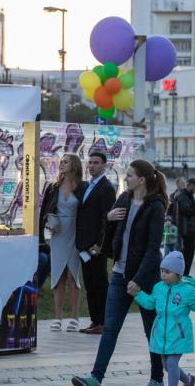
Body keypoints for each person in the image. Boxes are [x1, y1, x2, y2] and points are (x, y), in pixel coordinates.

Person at [72, 159, 168, 386]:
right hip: (119, 274)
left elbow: (153, 249)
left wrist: (138, 280)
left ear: (142, 180)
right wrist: (108, 219)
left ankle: (156, 379)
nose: (126, 178)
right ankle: (96, 377)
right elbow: (112, 233)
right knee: (110, 329)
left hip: (146, 279)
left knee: (151, 331)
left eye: (130, 175)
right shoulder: (124, 198)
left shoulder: (155, 206)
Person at [129, 251, 195, 386]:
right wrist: (137, 294)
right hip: (161, 335)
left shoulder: (188, 291)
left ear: (179, 274)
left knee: (171, 363)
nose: (163, 274)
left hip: (178, 336)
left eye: (167, 272)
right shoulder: (158, 288)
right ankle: (189, 381)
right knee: (167, 365)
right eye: (162, 271)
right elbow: (150, 303)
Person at [39, 153, 83, 332]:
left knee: (73, 276)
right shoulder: (53, 187)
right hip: (57, 235)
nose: (61, 164)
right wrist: (46, 225)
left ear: (74, 165)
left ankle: (75, 317)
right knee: (58, 276)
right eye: (61, 161)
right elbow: (44, 211)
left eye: (65, 162)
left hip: (75, 234)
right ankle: (57, 317)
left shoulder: (82, 187)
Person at [76, 152, 117, 335]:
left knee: (99, 284)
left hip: (96, 247)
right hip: (84, 245)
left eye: (96, 163)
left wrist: (101, 244)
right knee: (90, 284)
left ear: (104, 165)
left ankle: (103, 321)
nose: (92, 166)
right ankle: (95, 320)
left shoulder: (106, 188)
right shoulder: (87, 186)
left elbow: (106, 220)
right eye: (90, 162)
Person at [176, 179, 195, 275]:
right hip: (186, 231)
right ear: (191, 185)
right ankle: (183, 274)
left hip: (190, 231)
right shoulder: (183, 196)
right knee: (186, 255)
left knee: (190, 254)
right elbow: (186, 210)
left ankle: (186, 274)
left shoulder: (189, 196)